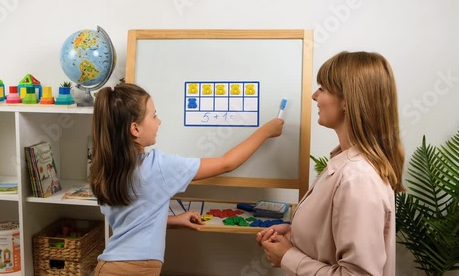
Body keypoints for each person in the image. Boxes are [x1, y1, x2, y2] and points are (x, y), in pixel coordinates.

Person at [90, 83, 284, 276]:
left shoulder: (107, 169)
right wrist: (266, 131)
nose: (159, 122)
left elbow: (133, 218)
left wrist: (174, 220)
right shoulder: (157, 167)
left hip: (110, 264)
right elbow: (227, 163)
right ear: (135, 129)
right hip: (134, 270)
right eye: (154, 115)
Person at [256, 51, 405, 276]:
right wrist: (296, 237)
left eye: (323, 88)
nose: (315, 96)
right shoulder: (345, 163)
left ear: (347, 101)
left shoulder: (358, 177)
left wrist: (288, 257)